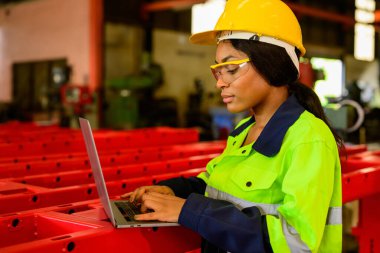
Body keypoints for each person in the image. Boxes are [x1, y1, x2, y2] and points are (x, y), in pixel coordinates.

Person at [121, 0, 343, 252]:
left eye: (231, 68)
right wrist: (173, 191)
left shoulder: (308, 139)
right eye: (218, 70)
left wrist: (190, 211)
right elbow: (219, 188)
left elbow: (296, 242)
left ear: (271, 62)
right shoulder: (245, 132)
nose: (220, 83)